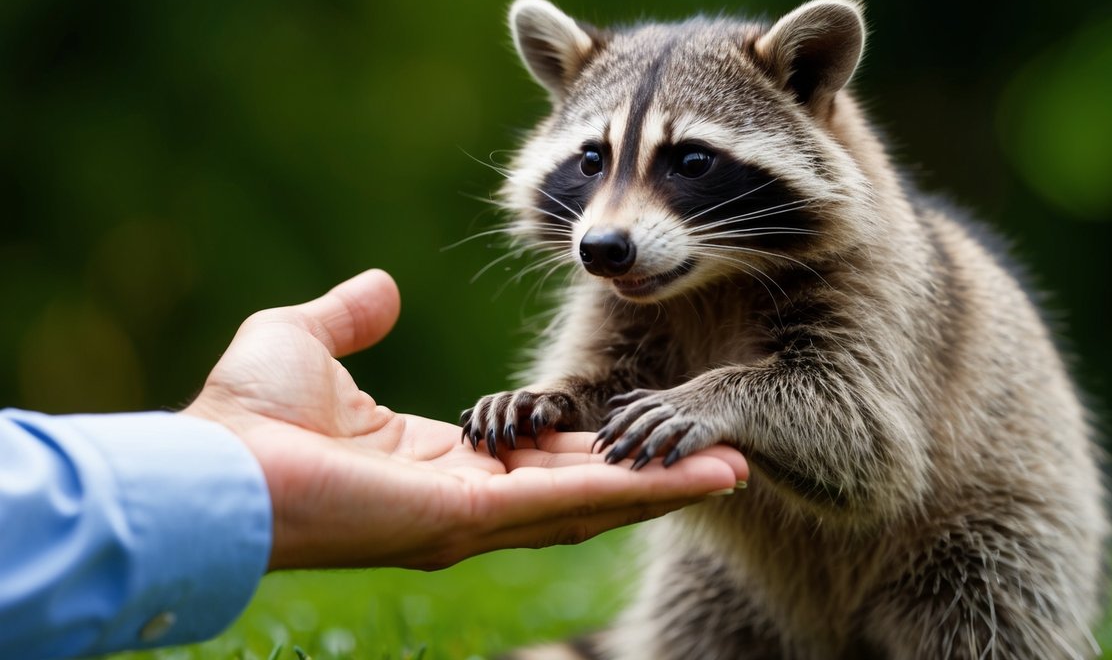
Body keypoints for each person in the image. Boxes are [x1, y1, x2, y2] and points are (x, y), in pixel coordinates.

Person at [0, 269, 747, 658]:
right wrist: (546, 404)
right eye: (592, 161)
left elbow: (859, 450)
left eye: (689, 164)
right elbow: (593, 392)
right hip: (731, 603)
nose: (606, 224)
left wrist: (722, 400)